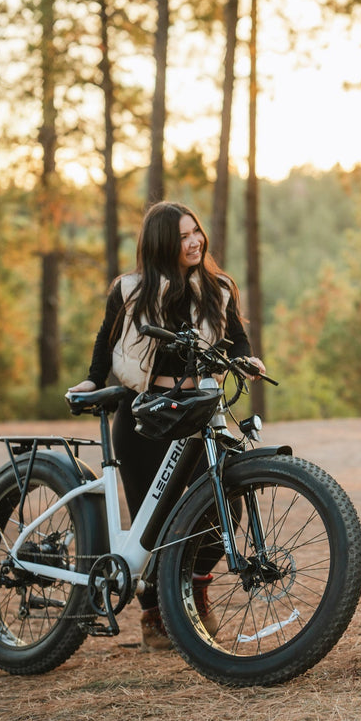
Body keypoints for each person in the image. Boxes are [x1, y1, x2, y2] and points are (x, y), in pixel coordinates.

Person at [68, 201, 266, 650]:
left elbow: (235, 336)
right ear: (161, 242)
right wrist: (94, 378)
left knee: (222, 509)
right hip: (145, 413)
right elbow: (108, 336)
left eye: (196, 231)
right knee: (149, 522)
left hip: (196, 410)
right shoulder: (131, 290)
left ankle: (195, 589)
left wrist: (245, 358)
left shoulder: (217, 287)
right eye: (182, 236)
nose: (194, 241)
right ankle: (155, 616)